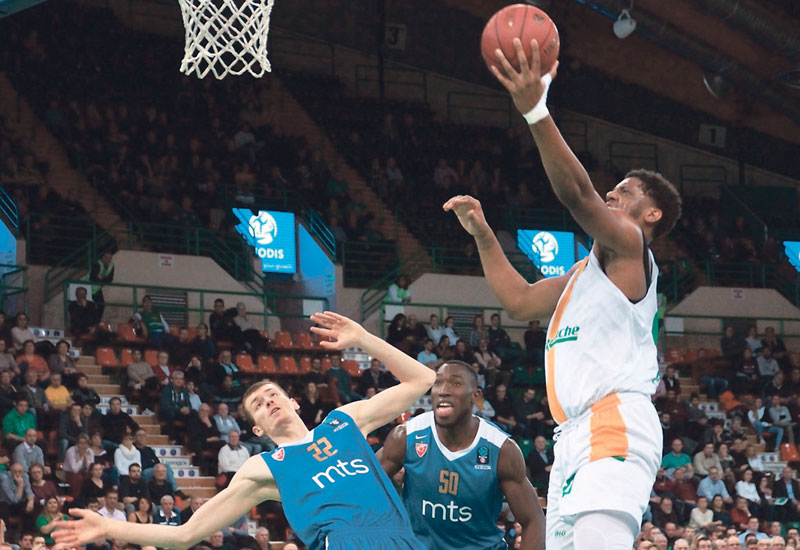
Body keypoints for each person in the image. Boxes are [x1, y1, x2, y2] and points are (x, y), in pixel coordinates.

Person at [444, 36, 681, 549]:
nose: (612, 192)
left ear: (651, 214)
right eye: (613, 188)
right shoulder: (583, 272)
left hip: (614, 421)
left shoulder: (631, 246)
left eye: (625, 191)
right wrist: (483, 234)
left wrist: (535, 110)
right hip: (572, 436)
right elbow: (519, 301)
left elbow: (577, 194)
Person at [53, 311, 436, 550]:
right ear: (257, 427)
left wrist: (365, 339)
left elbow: (422, 379)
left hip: (402, 538)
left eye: (273, 395)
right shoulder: (265, 467)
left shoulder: (342, 423)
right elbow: (184, 535)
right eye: (259, 405)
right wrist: (108, 525)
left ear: (294, 402)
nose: (269, 402)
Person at [379, 360, 544, 550]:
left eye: (456, 383)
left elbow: (534, 521)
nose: (443, 391)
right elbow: (361, 486)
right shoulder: (406, 437)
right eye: (438, 383)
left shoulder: (501, 449)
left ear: (476, 395)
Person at [88, 251, 114, 319]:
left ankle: (97, 322)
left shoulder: (111, 266)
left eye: (110, 258)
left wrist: (101, 278)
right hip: (87, 287)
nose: (107, 260)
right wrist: (103, 279)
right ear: (102, 257)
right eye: (106, 257)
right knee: (90, 306)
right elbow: (93, 277)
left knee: (101, 305)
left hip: (97, 288)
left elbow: (110, 279)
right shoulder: (97, 264)